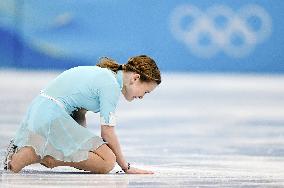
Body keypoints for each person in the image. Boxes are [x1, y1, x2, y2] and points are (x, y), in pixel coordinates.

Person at [3, 55, 161, 174]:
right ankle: (38, 154)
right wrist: (126, 167)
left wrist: (77, 146)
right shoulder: (111, 85)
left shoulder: (106, 75)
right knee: (107, 161)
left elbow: (79, 113)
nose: (141, 97)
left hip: (42, 112)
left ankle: (34, 150)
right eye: (145, 92)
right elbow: (107, 132)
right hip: (51, 115)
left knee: (99, 154)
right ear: (136, 78)